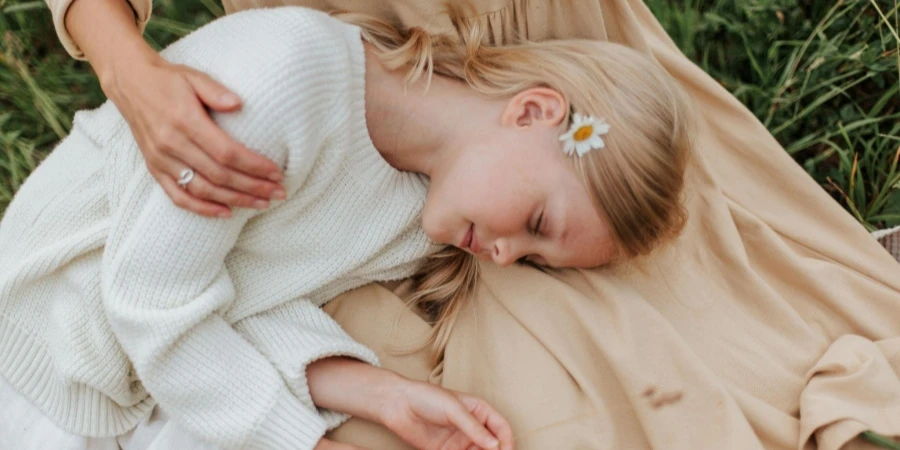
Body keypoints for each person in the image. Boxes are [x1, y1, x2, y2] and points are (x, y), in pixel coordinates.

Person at [32, 0, 900, 449]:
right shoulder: (271, 88)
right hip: (50, 366)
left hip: (136, 376)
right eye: (531, 224)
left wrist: (366, 390)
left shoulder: (421, 212)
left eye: (530, 251)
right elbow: (155, 308)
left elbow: (245, 292)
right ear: (530, 111)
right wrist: (121, 59)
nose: (504, 251)